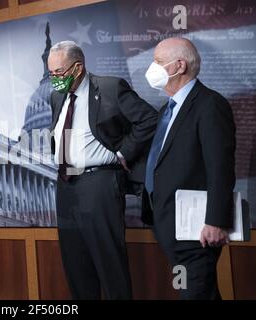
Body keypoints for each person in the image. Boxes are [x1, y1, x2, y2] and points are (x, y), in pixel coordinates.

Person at [48, 41, 158, 299]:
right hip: (65, 187)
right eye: (50, 73)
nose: (54, 79)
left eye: (59, 73)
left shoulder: (109, 87)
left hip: (99, 184)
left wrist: (123, 153)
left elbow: (149, 120)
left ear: (77, 68)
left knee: (110, 266)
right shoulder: (56, 96)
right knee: (76, 268)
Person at [142, 37, 236, 299]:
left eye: (159, 62)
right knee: (195, 291)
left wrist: (216, 221)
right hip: (169, 224)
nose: (152, 68)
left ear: (179, 65)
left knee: (194, 292)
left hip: (196, 230)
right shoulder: (167, 109)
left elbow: (221, 167)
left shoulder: (210, 105)